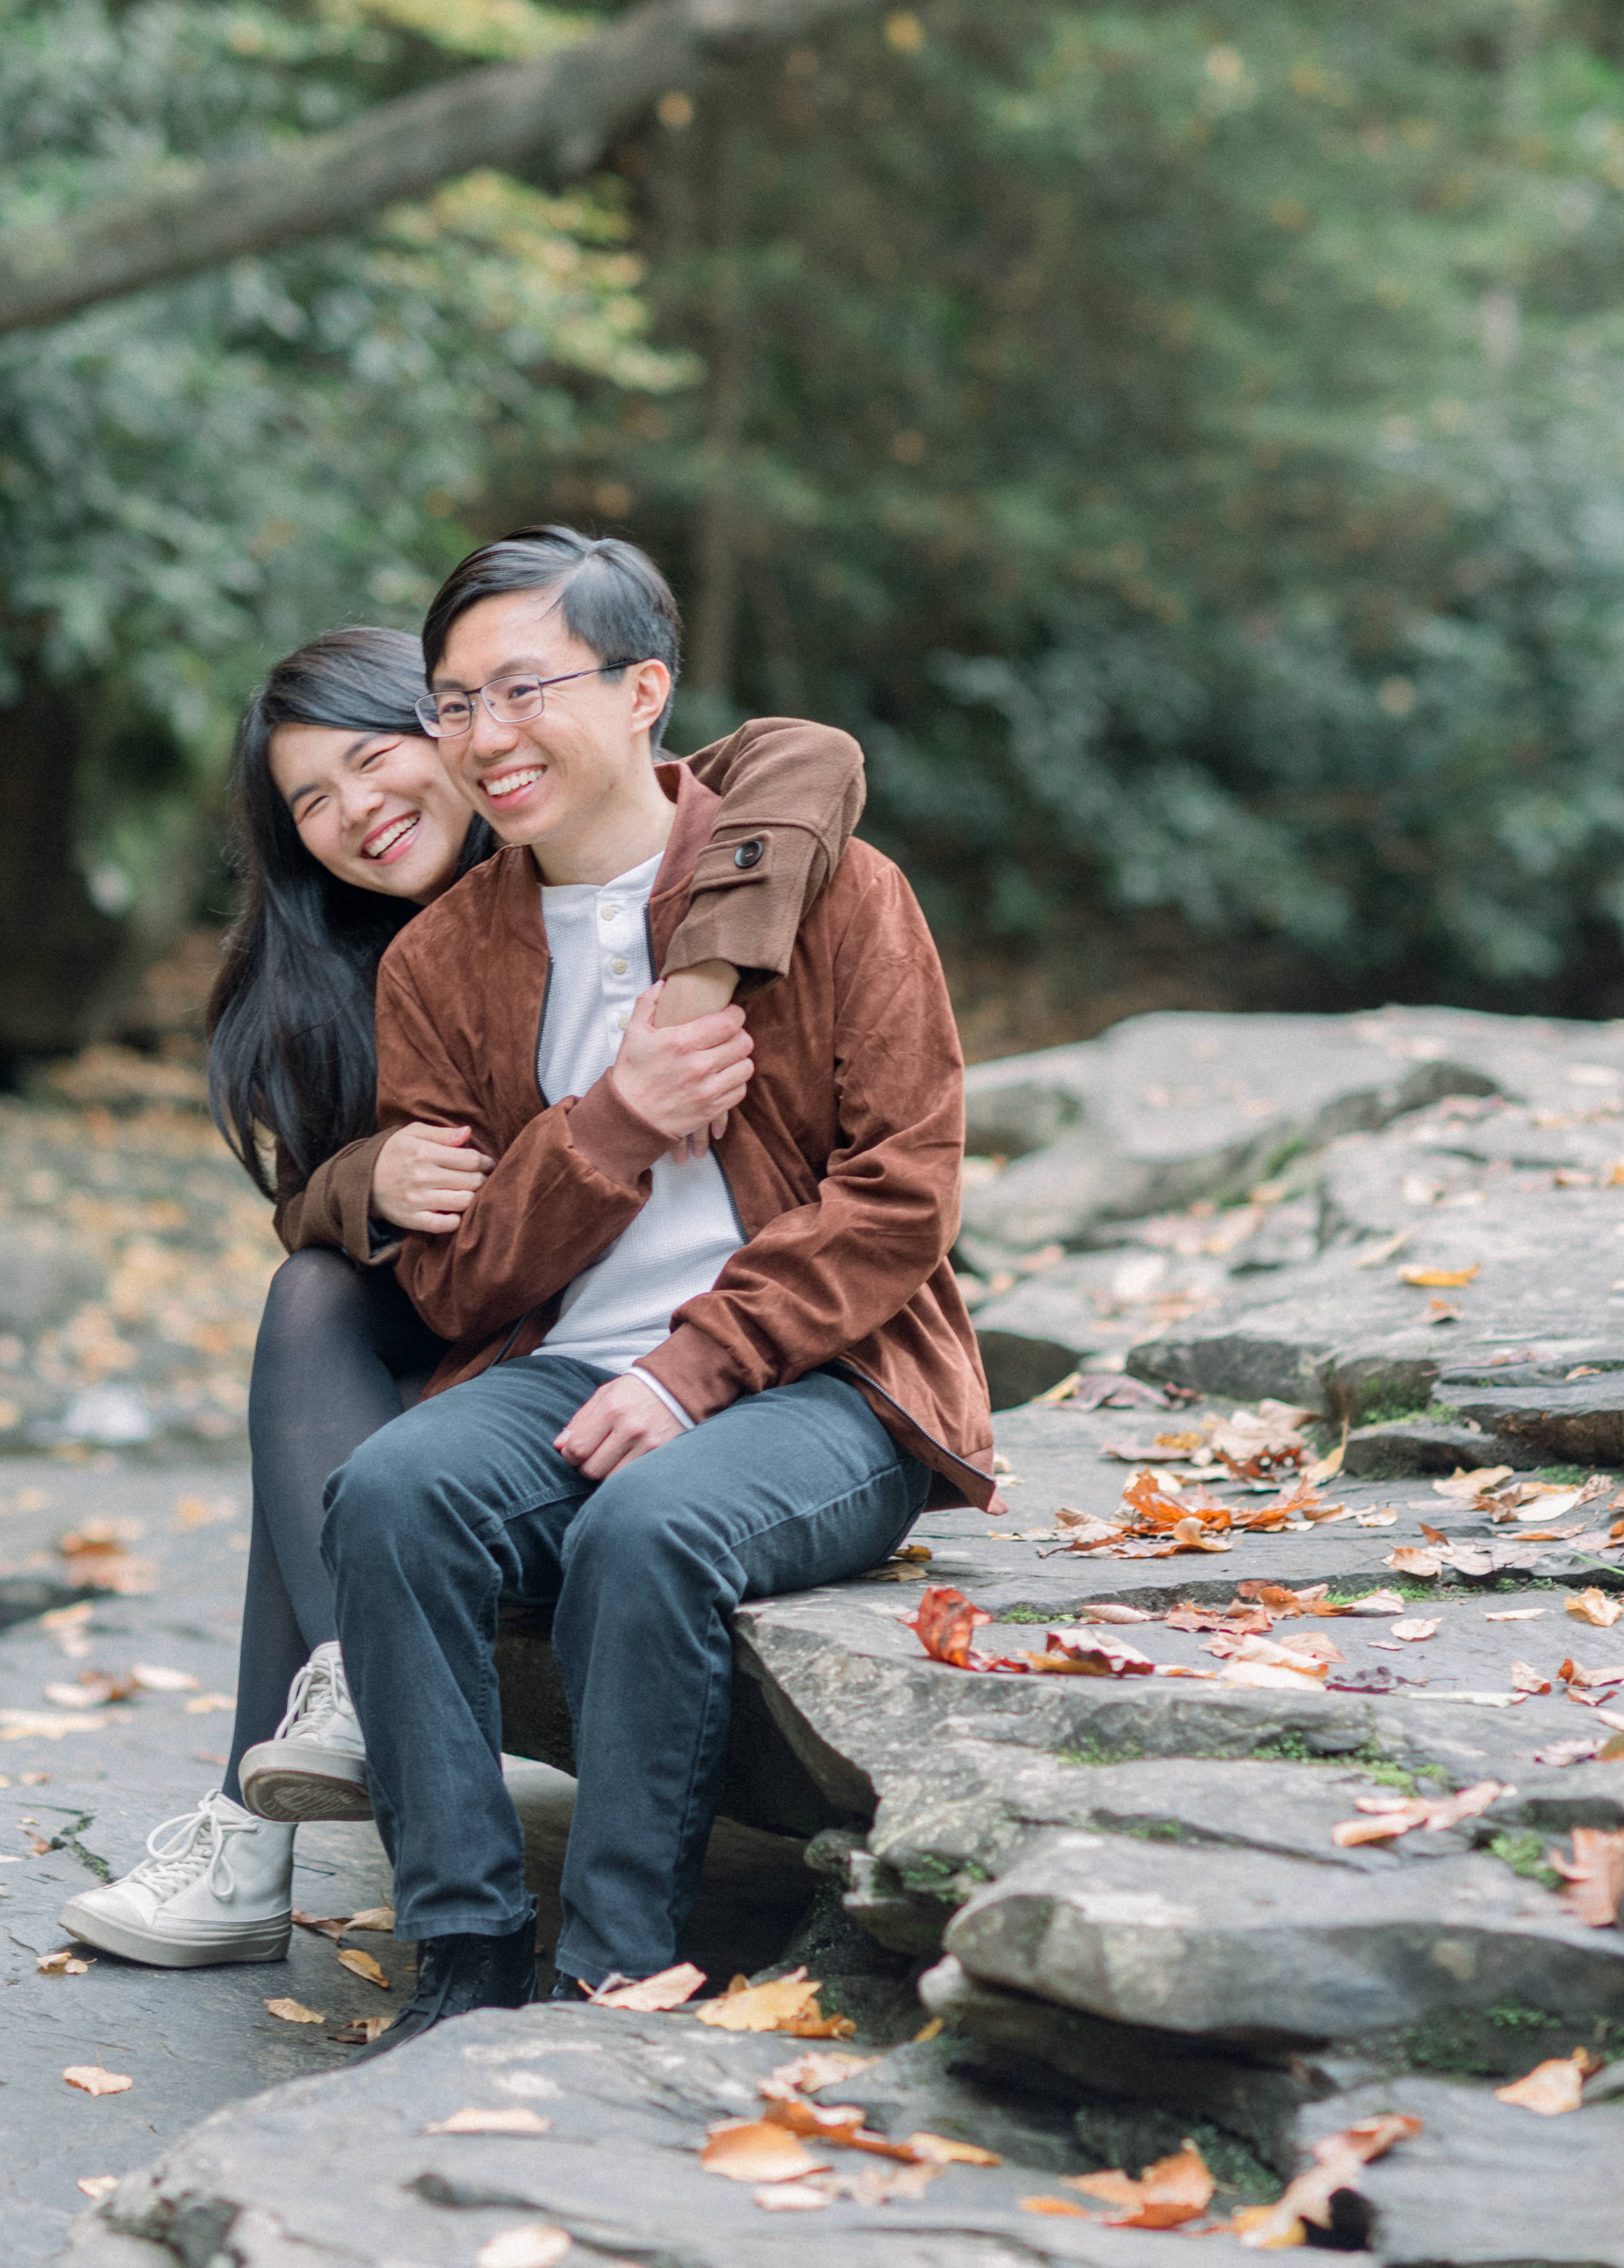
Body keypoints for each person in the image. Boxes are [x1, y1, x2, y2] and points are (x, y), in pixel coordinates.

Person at [55, 624, 868, 1968]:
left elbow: (807, 754)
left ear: (457, 727)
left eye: (378, 762)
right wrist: (364, 1178)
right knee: (312, 1295)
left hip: (645, 1334)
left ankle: (267, 1795)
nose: (354, 815)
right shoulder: (336, 973)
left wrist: (703, 977)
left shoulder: (598, 832)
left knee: (324, 1374)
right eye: (309, 803)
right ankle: (314, 1758)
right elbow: (307, 1207)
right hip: (487, 1329)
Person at [318, 528, 992, 2049]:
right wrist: (606, 1128)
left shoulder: (837, 893)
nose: (484, 741)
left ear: (642, 691)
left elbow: (904, 1195)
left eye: (522, 691)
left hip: (826, 1382)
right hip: (562, 1370)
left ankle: (609, 1980)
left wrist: (691, 1370)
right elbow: (455, 1279)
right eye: (451, 705)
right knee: (392, 1495)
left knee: (647, 1527)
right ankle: (468, 1954)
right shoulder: (437, 961)